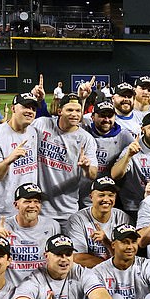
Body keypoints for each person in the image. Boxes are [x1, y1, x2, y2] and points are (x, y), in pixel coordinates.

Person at [0, 93, 40, 230]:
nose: (30, 111)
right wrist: (9, 160)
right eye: (25, 107)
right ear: (13, 108)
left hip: (21, 213)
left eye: (33, 109)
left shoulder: (33, 132)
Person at [31, 93, 99, 222]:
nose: (74, 114)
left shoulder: (86, 139)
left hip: (66, 211)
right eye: (70, 110)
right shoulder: (42, 124)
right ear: (59, 111)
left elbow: (93, 174)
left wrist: (86, 167)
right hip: (37, 208)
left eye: (78, 111)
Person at [0, 184, 61, 285]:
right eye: (27, 201)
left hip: (42, 288)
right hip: (10, 289)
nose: (32, 205)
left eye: (36, 201)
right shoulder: (0, 227)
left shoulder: (52, 226)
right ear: (16, 205)